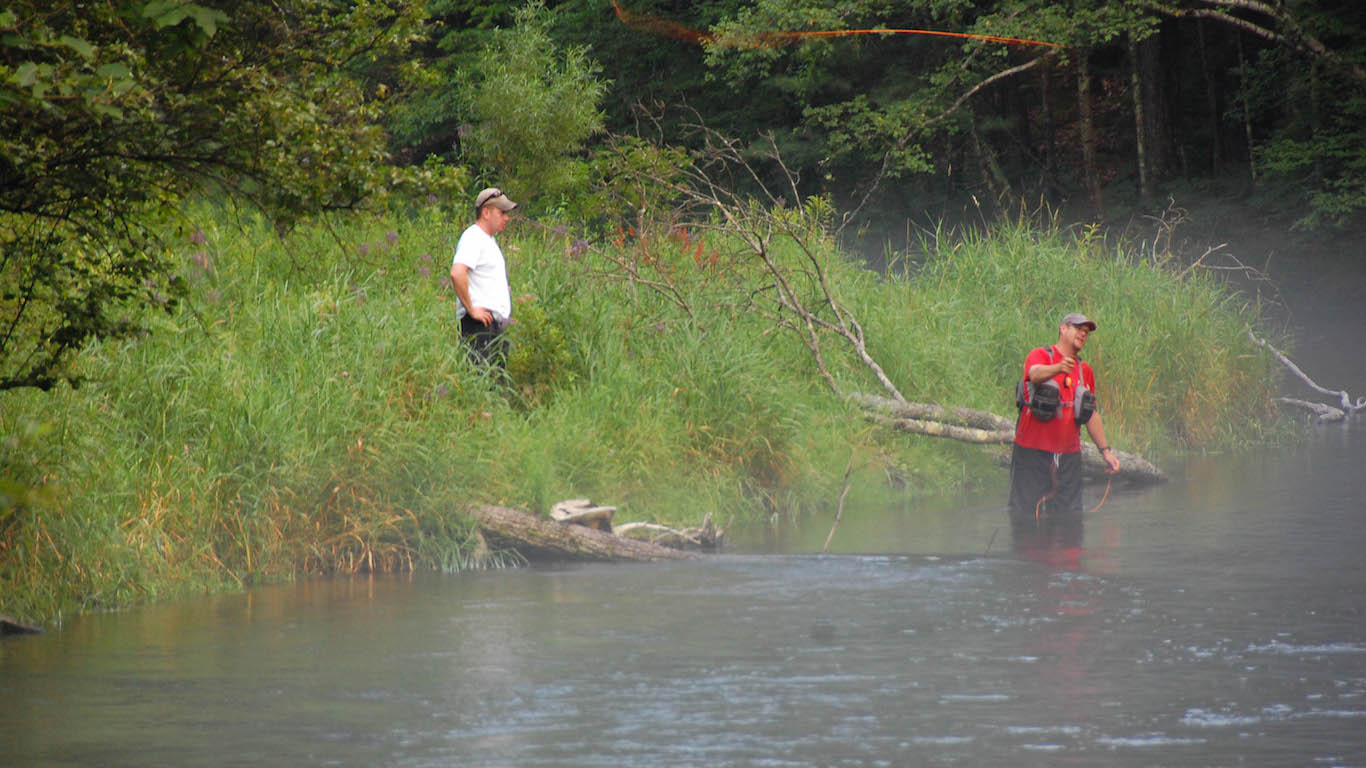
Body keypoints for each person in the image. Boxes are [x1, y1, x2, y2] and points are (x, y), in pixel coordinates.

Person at [1008, 312, 1122, 522]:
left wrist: (1105, 451)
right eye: (1078, 328)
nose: (1083, 333)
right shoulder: (1041, 355)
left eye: (1086, 332)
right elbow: (1034, 374)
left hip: (1068, 458)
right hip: (1032, 455)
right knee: (1023, 517)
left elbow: (1091, 414)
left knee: (1069, 521)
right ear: (1063, 329)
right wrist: (1059, 367)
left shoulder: (1084, 370)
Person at [450, 187, 517, 366]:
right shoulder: (473, 237)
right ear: (486, 212)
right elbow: (457, 273)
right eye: (502, 212)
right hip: (480, 328)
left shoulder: (488, 241)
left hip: (494, 328)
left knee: (496, 386)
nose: (506, 217)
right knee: (483, 383)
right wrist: (471, 309)